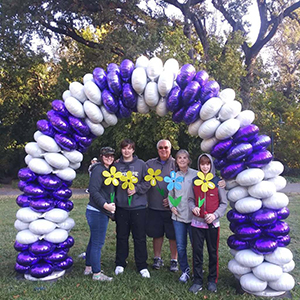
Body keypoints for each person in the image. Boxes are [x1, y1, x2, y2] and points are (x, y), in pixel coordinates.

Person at [188, 153, 228, 294]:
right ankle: (197, 280)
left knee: (213, 252)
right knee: (197, 252)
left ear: (211, 165)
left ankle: (212, 280)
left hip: (212, 225)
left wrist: (214, 215)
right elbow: (190, 199)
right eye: (202, 164)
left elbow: (223, 203)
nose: (205, 167)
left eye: (207, 164)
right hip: (197, 224)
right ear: (199, 165)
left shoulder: (218, 182)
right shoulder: (194, 181)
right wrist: (193, 207)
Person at [114, 139, 150, 278]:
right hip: (122, 207)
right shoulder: (116, 166)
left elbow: (148, 182)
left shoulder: (141, 164)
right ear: (121, 150)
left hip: (138, 207)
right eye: (124, 148)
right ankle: (120, 263)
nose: (126, 151)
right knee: (122, 237)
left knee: (139, 237)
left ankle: (142, 265)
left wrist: (136, 189)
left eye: (129, 148)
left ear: (133, 150)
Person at [84, 147, 116, 281]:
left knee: (93, 240)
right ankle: (97, 274)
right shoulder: (98, 170)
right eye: (106, 155)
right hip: (97, 212)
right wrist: (106, 205)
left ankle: (88, 267)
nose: (109, 158)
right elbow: (94, 191)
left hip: (99, 211)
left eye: (111, 156)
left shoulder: (106, 170)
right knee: (98, 243)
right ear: (101, 156)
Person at [146, 139, 178, 272]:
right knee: (157, 234)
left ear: (170, 149)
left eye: (166, 147)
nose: (163, 150)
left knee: (173, 235)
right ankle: (157, 258)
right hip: (154, 206)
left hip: (172, 208)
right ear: (157, 149)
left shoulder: (177, 164)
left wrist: (172, 200)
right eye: (160, 148)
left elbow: (184, 183)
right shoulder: (149, 164)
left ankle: (174, 260)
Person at [168, 149, 197, 283]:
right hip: (178, 217)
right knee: (180, 246)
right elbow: (170, 195)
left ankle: (197, 270)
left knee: (196, 245)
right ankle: (185, 270)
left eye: (185, 157)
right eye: (179, 158)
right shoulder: (173, 176)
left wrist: (221, 183)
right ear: (176, 160)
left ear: (189, 160)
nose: (182, 160)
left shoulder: (196, 175)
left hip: (193, 217)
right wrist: (171, 206)